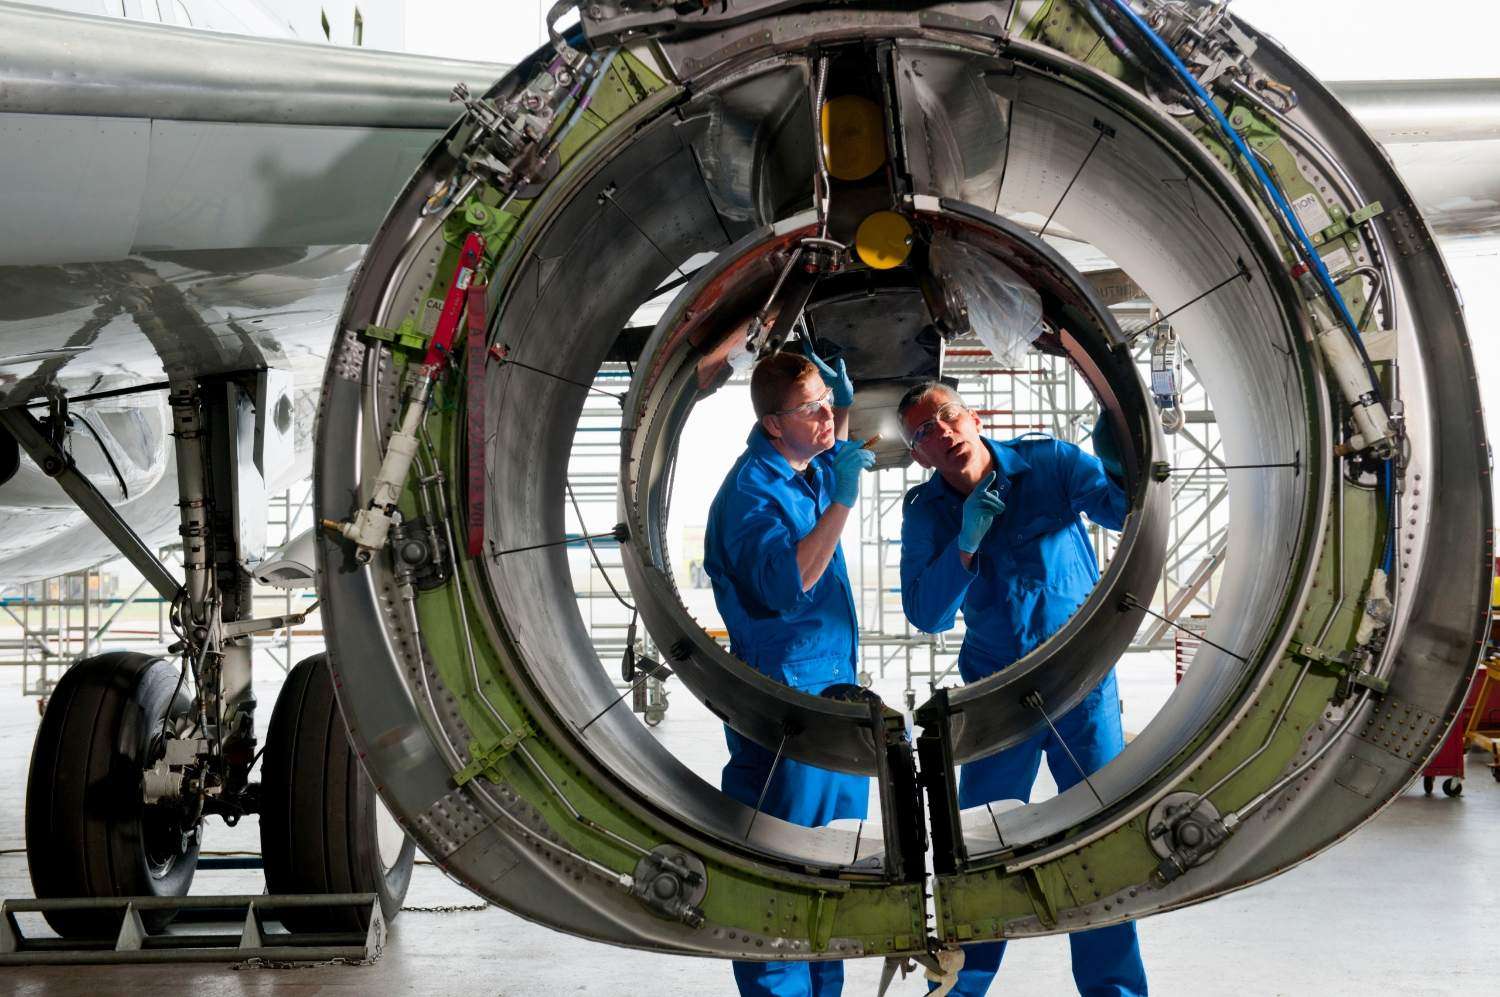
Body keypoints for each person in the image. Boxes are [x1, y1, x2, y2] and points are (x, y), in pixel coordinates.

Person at [896, 382, 1148, 997]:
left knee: (1097, 845)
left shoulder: (1051, 464)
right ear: (920, 456)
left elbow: (1126, 508)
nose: (943, 433)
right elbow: (926, 613)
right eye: (924, 433)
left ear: (974, 417)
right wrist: (966, 543)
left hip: (1078, 687)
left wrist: (1121, 442)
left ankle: (1114, 989)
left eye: (948, 416)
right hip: (994, 697)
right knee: (981, 852)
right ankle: (959, 989)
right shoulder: (927, 512)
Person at [703, 344, 876, 997]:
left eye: (827, 405)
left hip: (828, 697)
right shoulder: (751, 494)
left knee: (833, 868)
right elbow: (790, 584)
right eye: (812, 410)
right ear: (774, 423)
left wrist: (844, 405)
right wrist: (843, 505)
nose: (827, 419)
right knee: (782, 872)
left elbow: (834, 450)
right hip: (785, 703)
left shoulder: (799, 468)